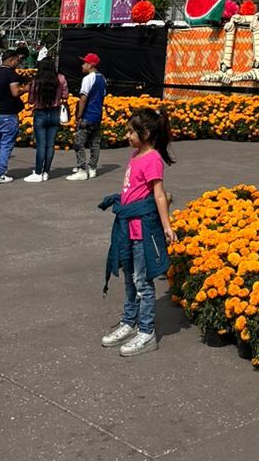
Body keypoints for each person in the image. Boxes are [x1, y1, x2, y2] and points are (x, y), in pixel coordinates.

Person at [99, 107, 176, 357]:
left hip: (143, 230)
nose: (127, 135)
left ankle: (146, 331)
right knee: (130, 278)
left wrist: (166, 226)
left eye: (132, 131)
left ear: (146, 132)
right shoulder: (136, 155)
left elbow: (159, 194)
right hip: (128, 228)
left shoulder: (153, 159)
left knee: (143, 282)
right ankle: (129, 322)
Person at [0, 46, 28, 184]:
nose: (18, 63)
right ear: (12, 60)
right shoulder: (12, 75)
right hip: (8, 114)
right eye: (17, 60)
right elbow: (15, 92)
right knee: (6, 145)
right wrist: (25, 89)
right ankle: (0, 173)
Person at [24, 57, 70, 183]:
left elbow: (31, 100)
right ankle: (45, 172)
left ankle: (38, 172)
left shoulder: (36, 80)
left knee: (41, 145)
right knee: (50, 145)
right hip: (55, 113)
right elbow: (65, 95)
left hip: (40, 113)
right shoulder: (60, 79)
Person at [67, 53, 106, 181]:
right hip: (97, 115)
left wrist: (79, 115)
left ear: (90, 65)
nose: (82, 65)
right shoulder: (102, 78)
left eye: (84, 63)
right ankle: (92, 168)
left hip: (87, 115)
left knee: (79, 143)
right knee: (95, 143)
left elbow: (83, 98)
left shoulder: (88, 79)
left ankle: (82, 169)